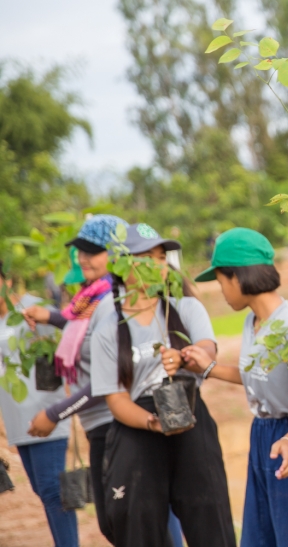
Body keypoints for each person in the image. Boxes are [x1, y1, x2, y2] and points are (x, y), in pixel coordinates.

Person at [176, 227, 288, 547]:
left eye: (221, 282)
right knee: (263, 535)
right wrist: (207, 368)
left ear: (238, 278)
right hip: (264, 435)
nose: (222, 292)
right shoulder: (252, 322)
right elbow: (258, 373)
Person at [90, 223, 235, 546]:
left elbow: (208, 349)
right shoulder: (108, 328)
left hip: (190, 415)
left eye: (160, 257)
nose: (157, 264)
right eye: (147, 257)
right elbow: (116, 400)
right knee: (138, 522)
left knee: (209, 515)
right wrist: (152, 422)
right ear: (121, 266)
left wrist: (185, 358)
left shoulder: (184, 306)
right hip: (138, 426)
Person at [23, 214, 128, 543]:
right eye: (81, 250)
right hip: (99, 425)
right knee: (116, 524)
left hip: (116, 425)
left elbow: (108, 380)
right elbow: (81, 331)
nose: (83, 258)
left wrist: (56, 413)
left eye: (92, 251)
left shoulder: (111, 302)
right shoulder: (90, 299)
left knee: (129, 523)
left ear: (117, 254)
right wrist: (50, 316)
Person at [0, 260, 77, 546]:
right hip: (17, 422)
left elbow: (68, 343)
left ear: (7, 281)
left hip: (45, 415)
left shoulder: (34, 308)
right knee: (43, 492)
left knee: (53, 491)